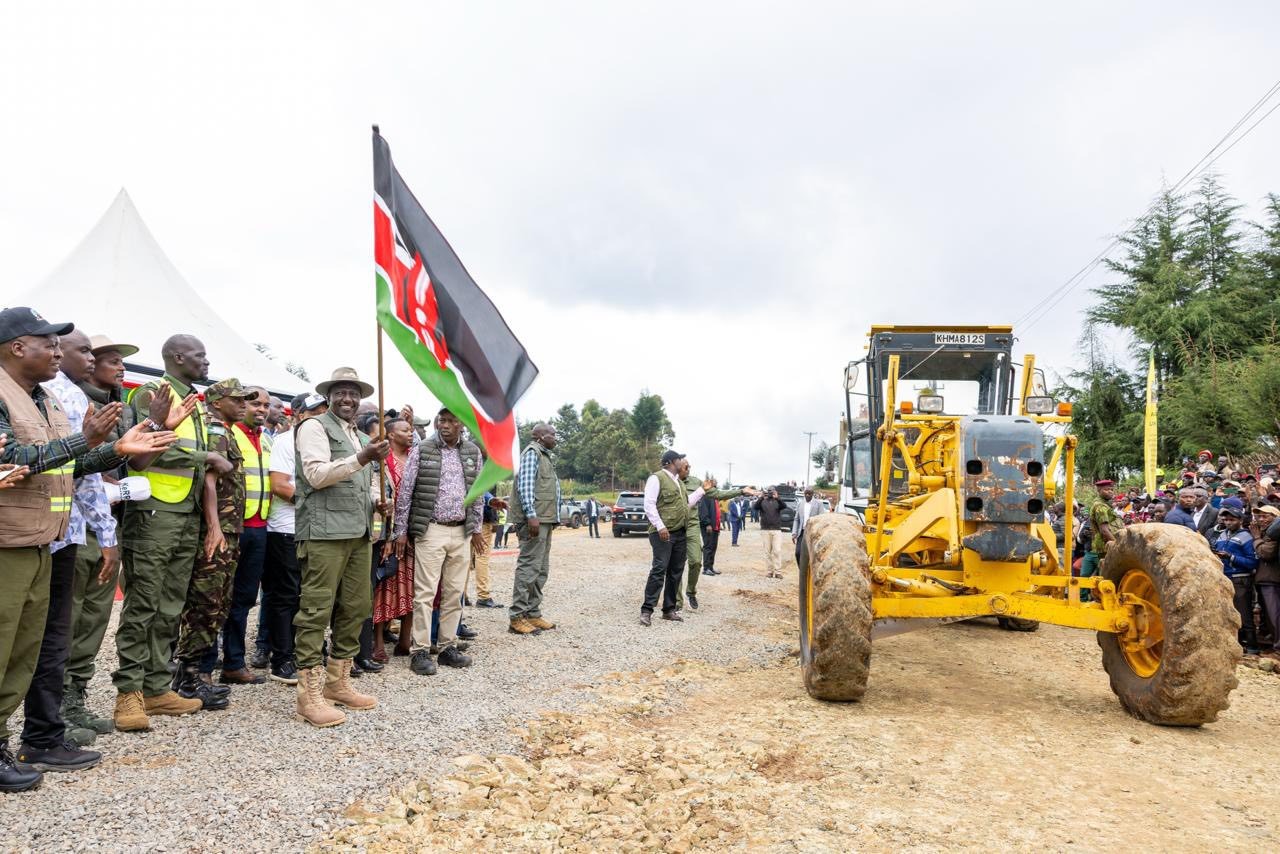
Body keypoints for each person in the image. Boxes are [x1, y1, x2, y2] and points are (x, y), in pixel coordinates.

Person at [0, 308, 176, 791]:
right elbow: (11, 458)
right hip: (8, 542)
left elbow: (69, 467)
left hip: (46, 540)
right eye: (49, 343)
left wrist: (118, 451)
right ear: (17, 347)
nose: (56, 351)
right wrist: (87, 440)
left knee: (25, 651)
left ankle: (33, 739)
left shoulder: (44, 400)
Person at [112, 334, 234, 733]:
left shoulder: (193, 402)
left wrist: (209, 520)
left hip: (186, 512)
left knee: (170, 605)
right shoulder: (153, 393)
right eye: (200, 355)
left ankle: (156, 687)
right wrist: (206, 455)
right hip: (153, 512)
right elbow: (148, 447)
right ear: (178, 357)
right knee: (144, 603)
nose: (206, 361)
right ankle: (128, 693)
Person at [292, 368, 389, 727]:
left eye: (353, 393)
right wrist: (362, 458)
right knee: (316, 610)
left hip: (358, 532)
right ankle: (308, 695)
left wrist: (379, 500)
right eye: (341, 392)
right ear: (329, 396)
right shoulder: (313, 428)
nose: (348, 399)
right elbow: (316, 475)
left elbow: (365, 483)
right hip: (323, 533)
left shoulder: (359, 435)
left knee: (357, 607)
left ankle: (338, 681)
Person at [173, 378, 258, 709]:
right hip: (218, 531)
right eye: (236, 399)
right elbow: (210, 479)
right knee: (206, 604)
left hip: (228, 529)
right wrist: (213, 527)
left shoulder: (226, 430)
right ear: (217, 401)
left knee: (217, 603)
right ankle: (191, 677)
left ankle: (190, 675)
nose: (242, 404)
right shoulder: (217, 431)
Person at [393, 409, 484, 675]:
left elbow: (477, 493)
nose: (445, 425)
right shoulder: (423, 449)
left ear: (461, 424)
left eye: (451, 420)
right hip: (431, 530)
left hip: (461, 531)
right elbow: (406, 491)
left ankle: (447, 647)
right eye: (441, 420)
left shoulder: (472, 453)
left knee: (455, 593)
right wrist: (401, 530)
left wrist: (476, 527)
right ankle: (420, 650)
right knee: (425, 593)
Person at [259, 392, 327, 685]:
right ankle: (281, 659)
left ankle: (307, 654)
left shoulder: (326, 443)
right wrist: (319, 500)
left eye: (324, 411)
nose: (319, 417)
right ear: (298, 415)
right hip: (287, 529)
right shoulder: (286, 442)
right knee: (285, 596)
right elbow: (280, 486)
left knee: (311, 596)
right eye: (313, 412)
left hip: (318, 531)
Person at [207, 386, 273, 685]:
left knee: (244, 598)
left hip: (259, 528)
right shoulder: (226, 434)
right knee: (215, 596)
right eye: (254, 403)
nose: (261, 409)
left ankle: (233, 662)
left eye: (266, 405)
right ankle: (203, 665)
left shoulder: (268, 440)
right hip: (230, 527)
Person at [507, 423, 561, 636]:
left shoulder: (545, 455)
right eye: (552, 434)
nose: (555, 438)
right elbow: (525, 486)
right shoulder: (532, 454)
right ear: (539, 436)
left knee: (540, 569)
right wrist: (531, 516)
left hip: (545, 519)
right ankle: (517, 617)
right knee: (529, 568)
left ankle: (532, 613)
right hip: (535, 520)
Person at [371, 418, 416, 663]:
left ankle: (405, 640)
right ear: (390, 435)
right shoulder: (381, 461)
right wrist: (391, 534)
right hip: (388, 532)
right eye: (405, 430)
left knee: (412, 586)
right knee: (384, 584)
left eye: (411, 430)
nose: (410, 433)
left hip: (413, 534)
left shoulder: (415, 457)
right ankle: (378, 640)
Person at [1211, 497, 1259, 654]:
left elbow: (1252, 562)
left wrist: (1230, 557)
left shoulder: (1246, 537)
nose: (1228, 522)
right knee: (1228, 614)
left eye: (1231, 519)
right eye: (1225, 519)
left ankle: (1252, 647)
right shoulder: (1222, 534)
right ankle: (1235, 646)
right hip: (1225, 579)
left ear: (1240, 519)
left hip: (1241, 579)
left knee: (1243, 614)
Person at [1081, 480, 1124, 602]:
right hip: (1106, 545)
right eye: (1106, 489)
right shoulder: (1100, 507)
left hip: (1106, 545)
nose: (1110, 492)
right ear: (1099, 491)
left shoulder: (1105, 505)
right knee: (1108, 577)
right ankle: (1103, 600)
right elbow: (1104, 531)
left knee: (1104, 574)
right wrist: (1118, 544)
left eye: (1111, 489)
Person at [1253, 504, 1280, 659]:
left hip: (1272, 579)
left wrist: (1256, 539)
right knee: (1270, 616)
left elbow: (1266, 553)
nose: (1261, 519)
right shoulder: (1264, 532)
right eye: (1259, 516)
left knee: (1275, 615)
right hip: (1264, 579)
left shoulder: (1273, 534)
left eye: (1265, 516)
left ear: (1275, 518)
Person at [472, 489, 505, 608]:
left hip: (467, 517)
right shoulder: (487, 470)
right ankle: (483, 596)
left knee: (466, 558)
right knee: (482, 556)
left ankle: (463, 595)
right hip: (483, 518)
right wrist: (493, 519)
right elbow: (484, 491)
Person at [754, 488, 787, 579]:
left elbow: (784, 506)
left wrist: (778, 498)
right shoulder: (762, 501)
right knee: (767, 552)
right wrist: (761, 497)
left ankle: (777, 572)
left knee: (777, 551)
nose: (769, 493)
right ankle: (769, 571)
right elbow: (755, 507)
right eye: (768, 491)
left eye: (771, 491)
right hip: (765, 530)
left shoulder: (777, 501)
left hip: (776, 530)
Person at [791, 487, 827, 564]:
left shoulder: (818, 504)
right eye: (806, 493)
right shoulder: (800, 504)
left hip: (813, 533)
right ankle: (802, 573)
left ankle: (810, 571)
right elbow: (796, 519)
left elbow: (821, 519)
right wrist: (794, 533)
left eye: (809, 494)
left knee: (812, 554)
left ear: (812, 494)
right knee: (798, 553)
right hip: (802, 532)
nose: (807, 495)